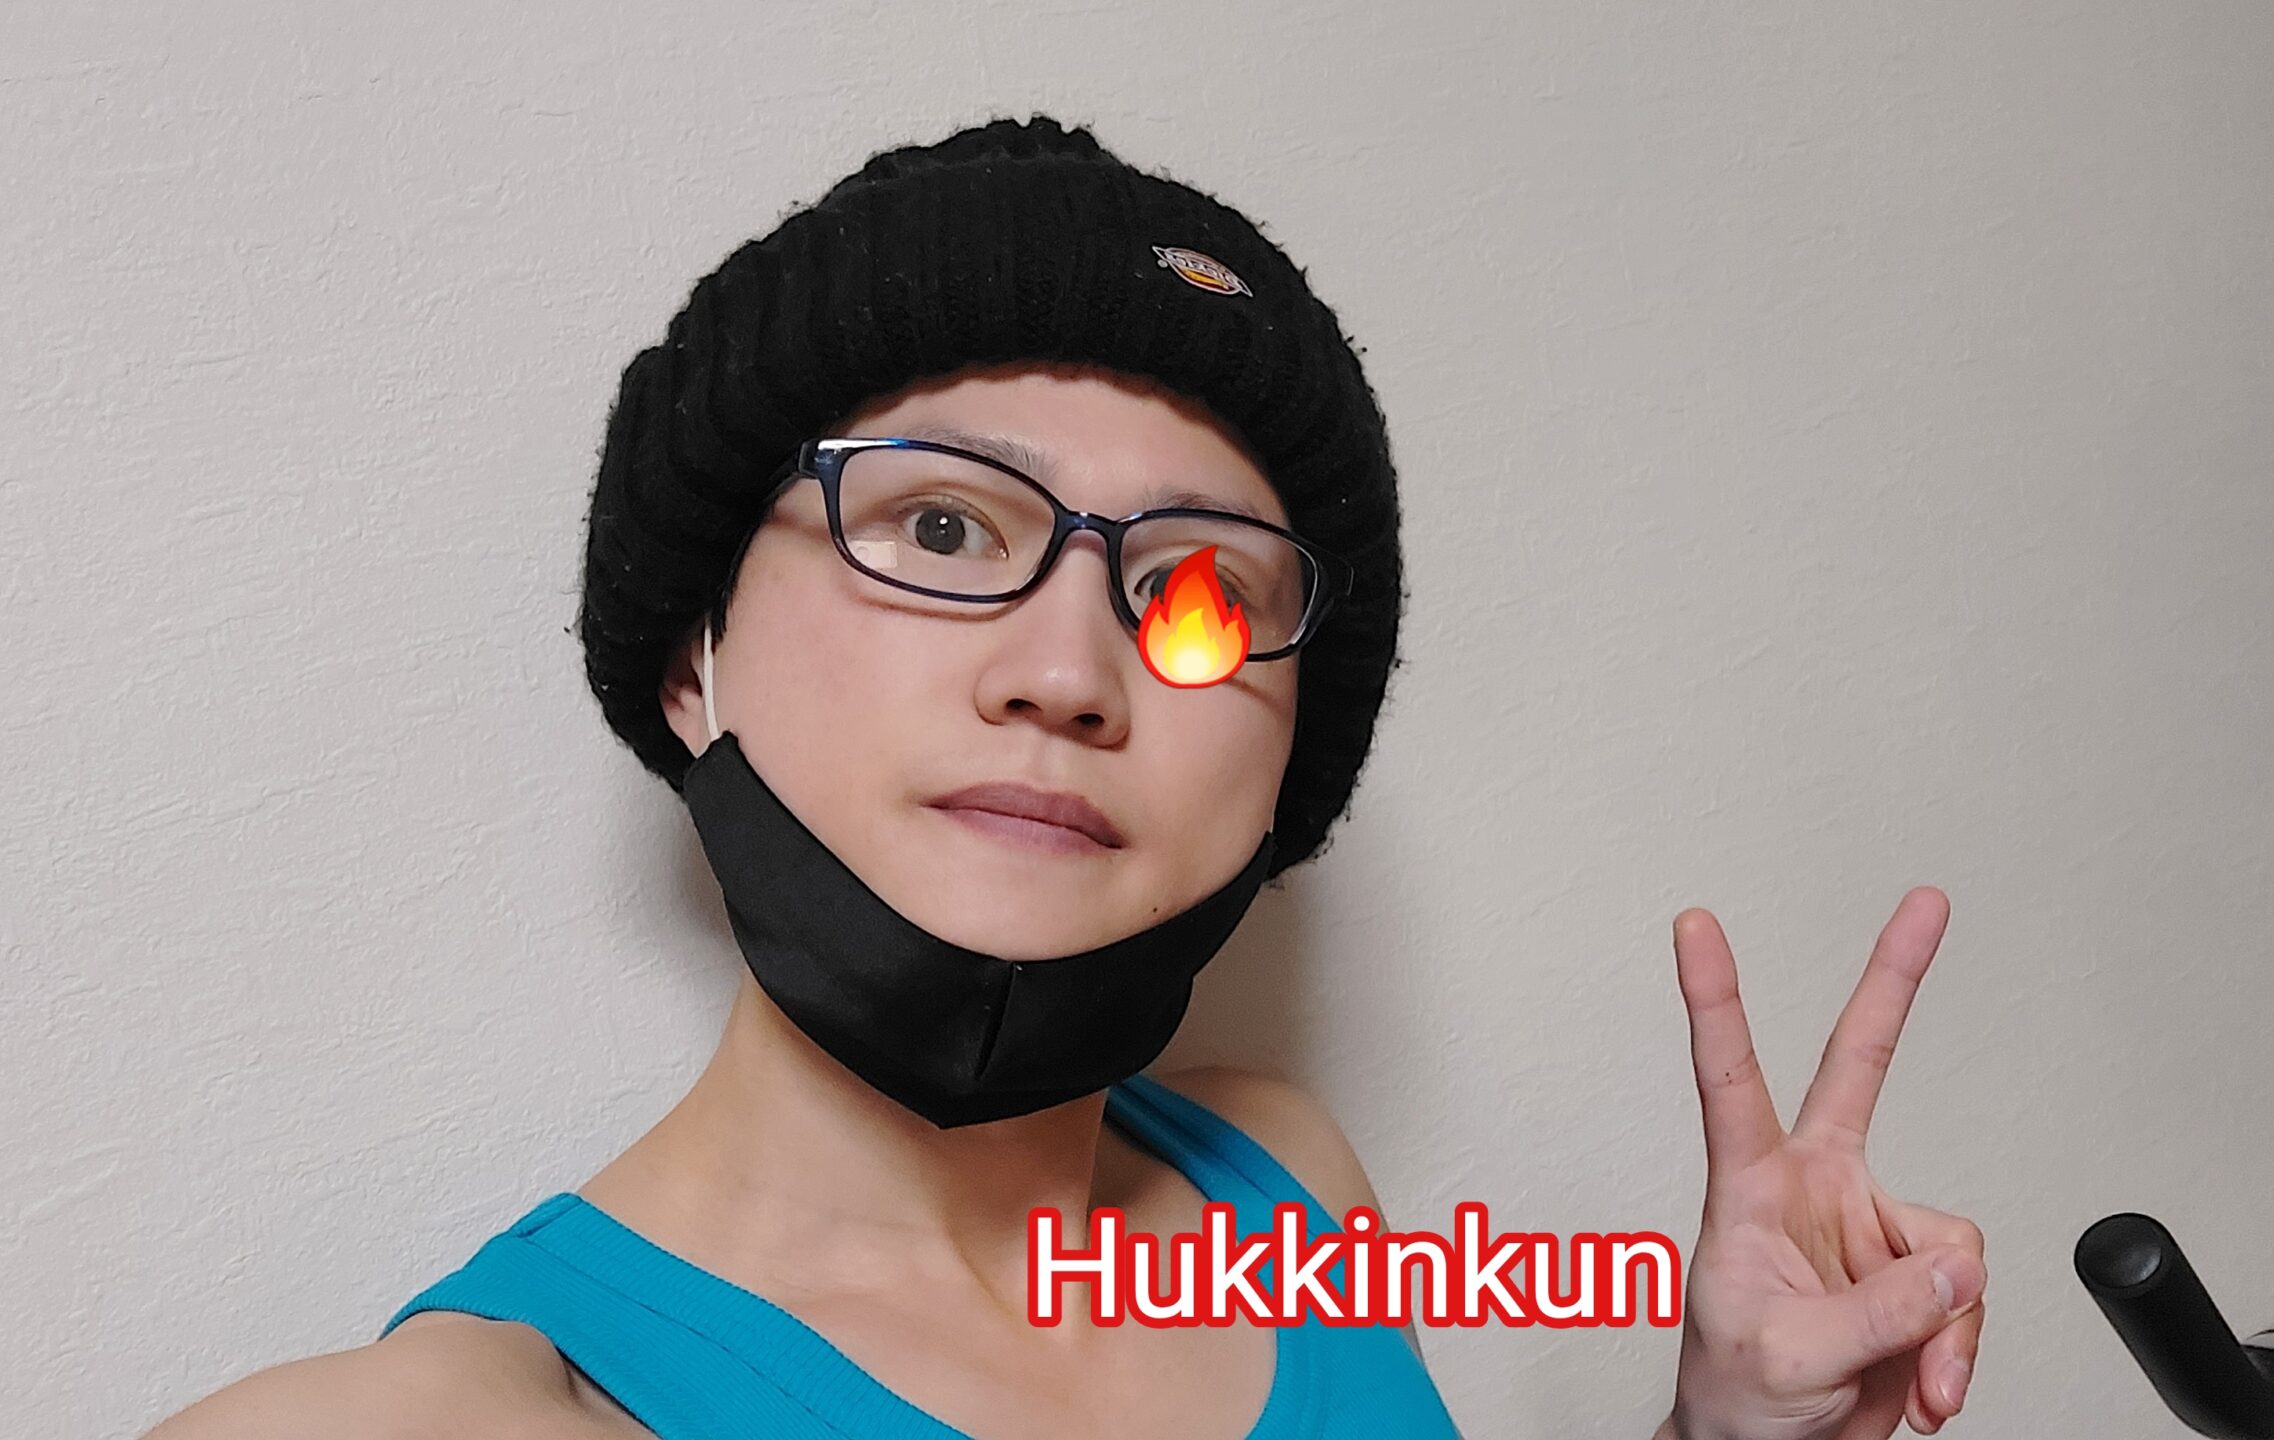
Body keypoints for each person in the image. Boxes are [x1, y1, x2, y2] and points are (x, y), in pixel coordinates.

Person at [143, 114, 1986, 1440]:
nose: (1068, 673)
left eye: (1201, 598)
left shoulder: (1282, 1190)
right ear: (694, 655)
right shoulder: (452, 1413)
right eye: (943, 526)